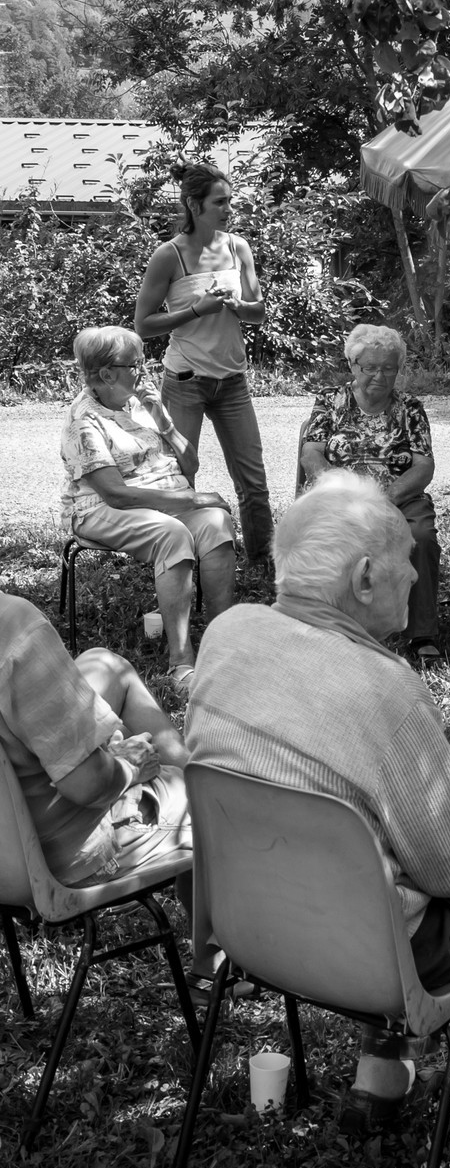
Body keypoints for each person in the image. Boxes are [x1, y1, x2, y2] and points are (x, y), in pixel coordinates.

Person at [185, 471, 450, 1134]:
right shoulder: (385, 688)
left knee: (372, 868)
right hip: (369, 957)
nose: (416, 580)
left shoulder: (226, 633)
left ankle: (380, 1071)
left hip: (250, 930)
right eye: (407, 565)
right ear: (364, 579)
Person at [60, 325, 238, 685]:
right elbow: (116, 494)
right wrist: (191, 498)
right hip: (99, 509)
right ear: (107, 374)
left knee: (218, 523)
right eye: (135, 364)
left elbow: (190, 466)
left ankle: (226, 642)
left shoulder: (136, 404)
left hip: (161, 500)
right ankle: (182, 662)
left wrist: (163, 419)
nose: (143, 371)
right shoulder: (84, 421)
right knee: (171, 534)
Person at [133, 161, 273, 573]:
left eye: (230, 201)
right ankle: (181, 562)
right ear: (194, 205)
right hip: (186, 381)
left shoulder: (238, 247)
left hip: (233, 381)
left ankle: (263, 562)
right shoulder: (169, 255)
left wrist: (236, 306)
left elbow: (258, 312)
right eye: (220, 202)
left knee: (253, 481)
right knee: (180, 478)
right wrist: (197, 308)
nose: (229, 209)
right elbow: (143, 325)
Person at [0, 592, 191, 890]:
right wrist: (129, 764)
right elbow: (87, 785)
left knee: (105, 663)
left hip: (7, 857)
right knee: (210, 798)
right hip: (55, 861)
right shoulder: (13, 625)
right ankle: (217, 932)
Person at [301, 324, 443, 668]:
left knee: (421, 537)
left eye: (389, 367)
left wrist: (386, 496)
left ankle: (422, 632)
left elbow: (423, 466)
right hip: (340, 496)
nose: (379, 376)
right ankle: (328, 625)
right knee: (330, 539)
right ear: (353, 366)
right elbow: (312, 456)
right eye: (370, 367)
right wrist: (346, 492)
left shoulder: (410, 407)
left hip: (399, 497)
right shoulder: (330, 399)